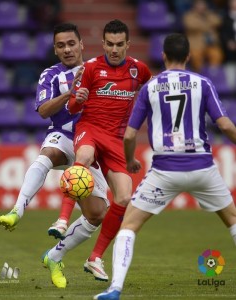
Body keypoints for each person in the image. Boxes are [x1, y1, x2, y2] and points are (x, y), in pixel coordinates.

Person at [93, 32, 236, 300]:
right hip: (202, 167)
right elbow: (225, 124)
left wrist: (131, 159)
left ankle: (114, 289)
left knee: (128, 227)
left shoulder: (150, 87)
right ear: (189, 56)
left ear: (163, 56)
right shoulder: (202, 83)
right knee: (232, 220)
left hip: (165, 170)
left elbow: (129, 135)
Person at [42, 19, 152, 287]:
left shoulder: (140, 70)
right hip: (89, 128)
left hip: (115, 138)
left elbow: (150, 94)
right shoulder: (90, 68)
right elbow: (71, 108)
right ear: (103, 44)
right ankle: (63, 219)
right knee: (83, 159)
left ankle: (95, 257)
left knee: (125, 197)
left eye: (119, 45)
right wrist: (77, 99)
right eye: (110, 44)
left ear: (128, 44)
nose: (114, 50)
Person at [0, 23, 109, 267]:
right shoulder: (50, 75)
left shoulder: (99, 70)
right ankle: (17, 210)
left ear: (81, 44)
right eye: (61, 46)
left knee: (97, 213)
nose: (67, 49)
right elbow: (43, 111)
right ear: (55, 50)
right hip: (63, 136)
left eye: (71, 43)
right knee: (47, 153)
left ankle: (54, 256)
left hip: (91, 145)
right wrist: (69, 93)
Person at [182, 0, 223, 72]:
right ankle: (200, 73)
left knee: (217, 54)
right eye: (199, 5)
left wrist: (206, 18)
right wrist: (208, 25)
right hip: (196, 45)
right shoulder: (189, 15)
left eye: (202, 5)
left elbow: (218, 21)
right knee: (195, 56)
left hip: (210, 44)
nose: (201, 7)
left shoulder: (209, 14)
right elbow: (190, 25)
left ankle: (212, 73)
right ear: (194, 7)